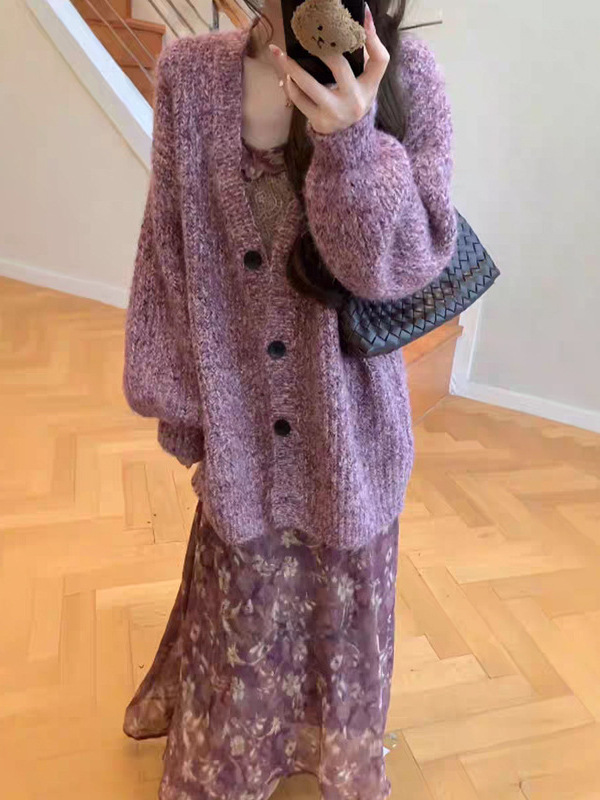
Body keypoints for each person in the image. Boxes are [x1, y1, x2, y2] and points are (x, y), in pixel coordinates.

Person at [121, 0, 457, 797]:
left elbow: (401, 269)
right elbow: (166, 244)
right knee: (242, 597)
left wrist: (351, 143)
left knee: (339, 607)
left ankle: (322, 747)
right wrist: (181, 406)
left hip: (350, 429)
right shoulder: (190, 75)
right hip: (238, 419)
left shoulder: (411, 79)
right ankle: (234, 758)